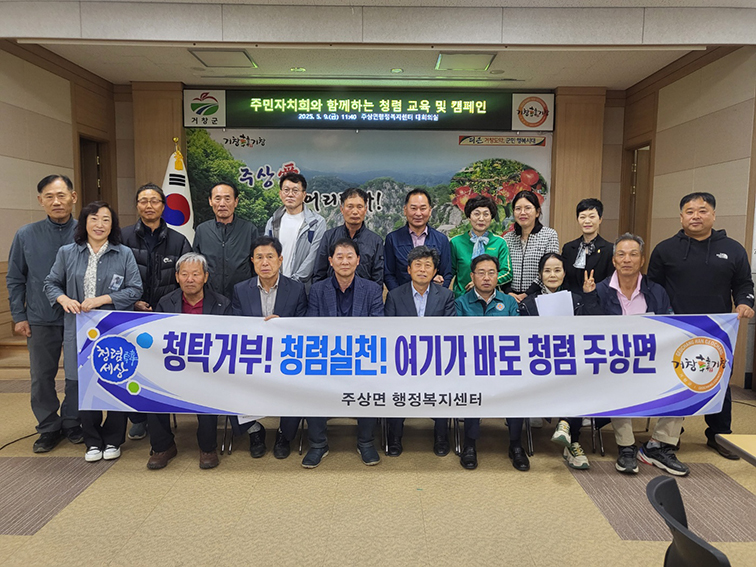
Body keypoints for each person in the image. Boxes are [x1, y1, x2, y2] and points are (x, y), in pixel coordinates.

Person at [648, 192, 755, 461]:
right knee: (673, 381)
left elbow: (744, 284)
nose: (696, 216)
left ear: (714, 215)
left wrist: (744, 302)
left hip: (716, 331)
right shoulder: (665, 249)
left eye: (702, 211)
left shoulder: (733, 249)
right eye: (690, 211)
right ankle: (670, 435)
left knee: (718, 379)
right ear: (681, 217)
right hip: (675, 329)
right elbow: (653, 288)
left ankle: (720, 434)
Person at [43, 201, 142, 462]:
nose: (100, 225)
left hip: (113, 328)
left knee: (115, 379)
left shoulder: (123, 253)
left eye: (106, 219)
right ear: (84, 222)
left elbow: (135, 289)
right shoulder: (68, 252)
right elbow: (51, 283)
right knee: (84, 383)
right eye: (94, 219)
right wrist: (64, 299)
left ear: (113, 225)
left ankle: (114, 439)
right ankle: (92, 441)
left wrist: (103, 299)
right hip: (79, 328)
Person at [585, 233, 689, 476]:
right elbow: (589, 330)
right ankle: (626, 447)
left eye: (633, 254)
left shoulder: (657, 291)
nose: (627, 260)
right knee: (616, 380)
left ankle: (658, 445)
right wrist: (589, 298)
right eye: (621, 255)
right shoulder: (600, 290)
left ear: (642, 260)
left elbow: (670, 327)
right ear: (614, 261)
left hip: (652, 361)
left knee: (684, 382)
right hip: (613, 363)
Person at [7, 174, 81, 453]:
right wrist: (19, 315)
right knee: (41, 375)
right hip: (40, 316)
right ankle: (48, 426)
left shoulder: (87, 231)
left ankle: (73, 421)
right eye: (49, 197)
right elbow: (15, 278)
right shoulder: (26, 235)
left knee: (77, 374)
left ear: (73, 197)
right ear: (40, 201)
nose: (56, 201)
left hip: (79, 316)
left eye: (61, 195)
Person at [303, 238, 384, 468]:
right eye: (339, 257)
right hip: (327, 356)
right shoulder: (318, 290)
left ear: (358, 261)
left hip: (361, 356)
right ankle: (318, 444)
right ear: (330, 261)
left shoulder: (372, 289)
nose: (345, 261)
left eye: (350, 257)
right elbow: (311, 325)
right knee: (311, 380)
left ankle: (366, 442)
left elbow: (378, 324)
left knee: (371, 381)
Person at [146, 253, 231, 470]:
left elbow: (230, 341)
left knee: (208, 388)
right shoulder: (165, 303)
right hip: (172, 368)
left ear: (205, 277)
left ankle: (207, 447)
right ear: (177, 277)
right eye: (184, 274)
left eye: (195, 274)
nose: (190, 279)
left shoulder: (222, 304)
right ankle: (163, 446)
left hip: (208, 369)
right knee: (151, 389)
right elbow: (156, 339)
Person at [518, 253, 602, 470]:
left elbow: (593, 328)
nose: (552, 275)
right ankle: (569, 434)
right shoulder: (528, 304)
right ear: (540, 275)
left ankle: (568, 432)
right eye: (547, 271)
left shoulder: (576, 300)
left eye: (557, 270)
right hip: (538, 365)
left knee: (578, 378)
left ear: (564, 274)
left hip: (571, 362)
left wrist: (590, 295)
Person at [121, 183, 191, 441]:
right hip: (131, 315)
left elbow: (187, 279)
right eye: (143, 201)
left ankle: (159, 416)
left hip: (166, 317)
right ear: (137, 205)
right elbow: (114, 275)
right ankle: (138, 418)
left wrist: (167, 306)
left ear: (163, 206)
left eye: (154, 201)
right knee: (134, 366)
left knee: (161, 369)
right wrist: (133, 302)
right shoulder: (123, 237)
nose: (149, 206)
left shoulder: (178, 240)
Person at [231, 236, 308, 460]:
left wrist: (283, 325)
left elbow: (305, 326)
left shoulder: (296, 289)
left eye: (270, 257)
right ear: (252, 261)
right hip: (253, 356)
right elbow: (234, 326)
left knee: (299, 382)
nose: (265, 262)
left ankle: (284, 434)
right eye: (259, 257)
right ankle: (254, 430)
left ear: (280, 260)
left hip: (287, 356)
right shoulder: (240, 290)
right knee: (226, 378)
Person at [455, 254, 527, 471]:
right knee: (471, 388)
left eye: (491, 273)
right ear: (472, 276)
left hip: (504, 364)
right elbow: (457, 336)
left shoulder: (509, 302)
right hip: (472, 365)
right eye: (481, 273)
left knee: (518, 387)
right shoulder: (460, 303)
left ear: (498, 276)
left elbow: (516, 335)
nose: (486, 278)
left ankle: (516, 445)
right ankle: (469, 444)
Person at [384, 246, 456, 456]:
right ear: (409, 269)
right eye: (418, 265)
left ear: (435, 271)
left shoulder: (446, 296)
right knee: (395, 384)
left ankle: (441, 436)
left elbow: (450, 330)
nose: (422, 270)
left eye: (428, 266)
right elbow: (388, 330)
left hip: (436, 358)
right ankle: (395, 436)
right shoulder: (395, 296)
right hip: (402, 358)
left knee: (444, 383)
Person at [193, 181, 258, 299]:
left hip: (242, 296)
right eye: (217, 199)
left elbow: (256, 266)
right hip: (209, 297)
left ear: (236, 201)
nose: (222, 204)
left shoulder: (249, 229)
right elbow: (196, 265)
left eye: (227, 199)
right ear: (210, 201)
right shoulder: (202, 230)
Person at [264, 172, 325, 288]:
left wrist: (294, 281)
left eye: (295, 191)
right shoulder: (272, 222)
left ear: (304, 195)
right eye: (286, 190)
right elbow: (266, 253)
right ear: (280, 194)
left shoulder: (317, 223)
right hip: (275, 286)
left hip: (302, 288)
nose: (290, 195)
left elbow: (314, 256)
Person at [384, 188, 452, 291]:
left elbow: (446, 274)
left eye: (423, 208)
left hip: (433, 297)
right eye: (413, 208)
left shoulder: (441, 240)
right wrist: (398, 297)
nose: (418, 213)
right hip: (402, 297)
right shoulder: (392, 239)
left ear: (430, 211)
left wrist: (438, 295)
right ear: (405, 210)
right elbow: (388, 274)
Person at [313, 187, 384, 286]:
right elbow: (319, 273)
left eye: (359, 207)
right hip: (331, 292)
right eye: (350, 206)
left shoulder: (376, 241)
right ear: (342, 209)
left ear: (365, 210)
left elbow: (378, 279)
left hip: (364, 293)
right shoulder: (329, 236)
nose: (355, 212)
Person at [450, 195, 512, 298]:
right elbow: (449, 271)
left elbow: (507, 272)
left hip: (490, 299)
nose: (481, 219)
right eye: (476, 214)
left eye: (486, 214)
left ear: (491, 217)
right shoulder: (456, 242)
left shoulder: (499, 242)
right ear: (469, 217)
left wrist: (485, 282)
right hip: (462, 299)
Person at [503, 190, 559, 302]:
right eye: (518, 209)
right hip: (510, 298)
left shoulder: (549, 235)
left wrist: (527, 294)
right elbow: (503, 268)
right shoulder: (507, 238)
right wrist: (508, 292)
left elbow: (549, 269)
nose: (522, 213)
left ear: (537, 212)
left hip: (539, 296)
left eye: (527, 208)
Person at [561, 198, 614, 293]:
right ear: (577, 219)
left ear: (600, 219)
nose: (587, 221)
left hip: (598, 299)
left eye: (592, 217)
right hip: (572, 299)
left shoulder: (609, 250)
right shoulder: (568, 248)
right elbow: (565, 279)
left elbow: (610, 281)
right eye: (582, 217)